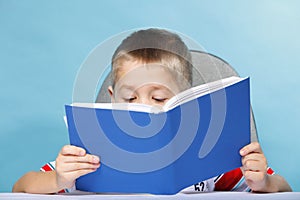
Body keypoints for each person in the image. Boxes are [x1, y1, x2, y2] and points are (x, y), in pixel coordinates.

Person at [12, 28, 292, 194]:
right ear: (111, 97)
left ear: (186, 101)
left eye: (158, 98)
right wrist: (58, 179)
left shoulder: (209, 152)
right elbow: (21, 187)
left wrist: (264, 181)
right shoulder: (92, 153)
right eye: (130, 97)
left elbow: (285, 189)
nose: (143, 107)